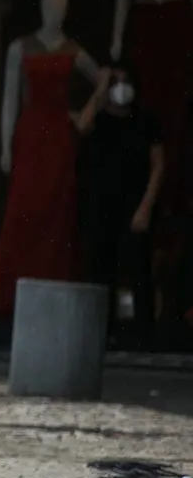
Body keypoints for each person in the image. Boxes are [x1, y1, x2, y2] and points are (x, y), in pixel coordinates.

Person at [77, 62, 163, 349]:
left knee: (138, 269)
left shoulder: (145, 121)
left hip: (135, 205)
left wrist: (146, 207)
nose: (121, 86)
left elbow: (158, 165)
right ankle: (104, 334)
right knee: (102, 271)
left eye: (126, 80)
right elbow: (82, 125)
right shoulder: (100, 119)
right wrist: (100, 89)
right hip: (102, 205)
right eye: (116, 81)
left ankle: (144, 336)